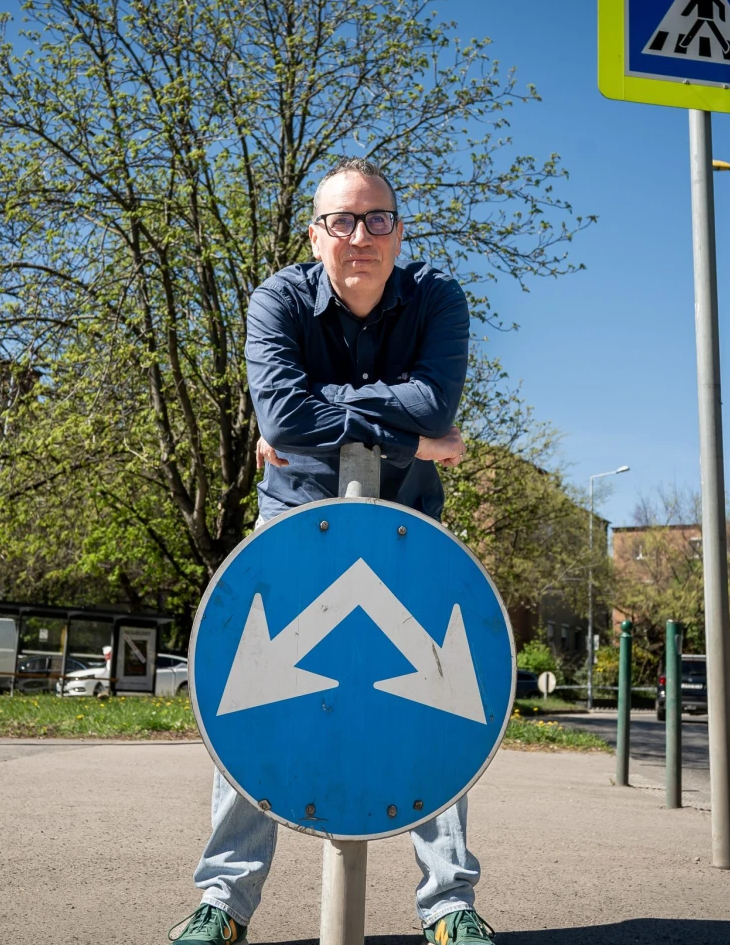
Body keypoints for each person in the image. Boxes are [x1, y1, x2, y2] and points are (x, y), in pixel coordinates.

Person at [168, 158, 493, 945]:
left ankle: (451, 906)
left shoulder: (439, 299)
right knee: (255, 695)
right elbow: (283, 415)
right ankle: (223, 902)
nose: (360, 236)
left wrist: (321, 415)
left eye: (377, 218)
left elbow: (430, 401)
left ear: (399, 231)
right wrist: (413, 435)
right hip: (294, 529)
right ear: (315, 235)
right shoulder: (278, 299)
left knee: (436, 699)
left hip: (406, 529)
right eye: (341, 221)